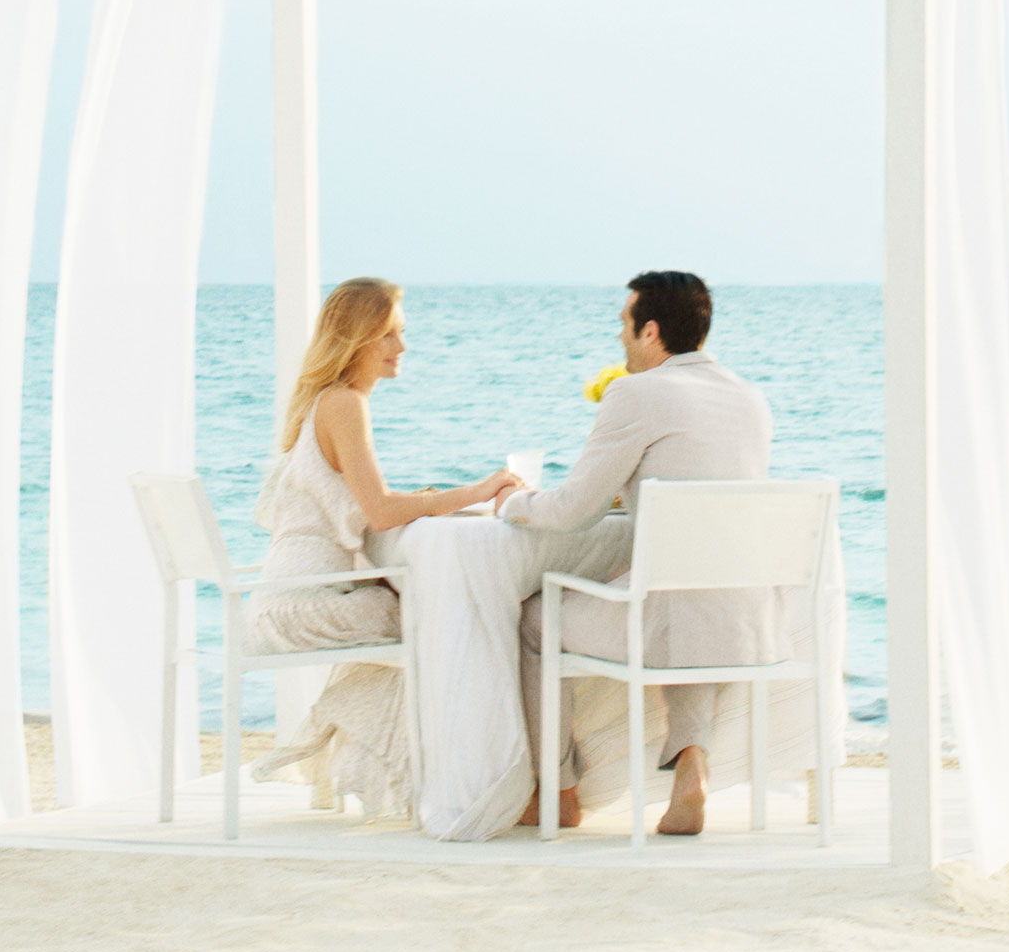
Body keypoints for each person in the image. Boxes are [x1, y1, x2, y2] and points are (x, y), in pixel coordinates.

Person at [506, 270, 777, 836]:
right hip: (751, 620)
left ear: (650, 331)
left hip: (666, 623)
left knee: (533, 621)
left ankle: (557, 793)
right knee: (689, 595)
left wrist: (512, 502)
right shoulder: (750, 398)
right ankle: (691, 762)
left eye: (623, 329)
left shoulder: (636, 392)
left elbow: (570, 511)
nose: (621, 342)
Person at [252, 277, 523, 809]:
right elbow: (378, 512)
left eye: (400, 334)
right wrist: (477, 491)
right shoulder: (344, 404)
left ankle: (406, 770)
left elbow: (366, 506)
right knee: (456, 621)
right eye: (388, 335)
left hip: (291, 599)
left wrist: (426, 500)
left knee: (432, 612)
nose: (401, 347)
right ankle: (457, 783)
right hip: (302, 606)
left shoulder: (326, 402)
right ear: (355, 341)